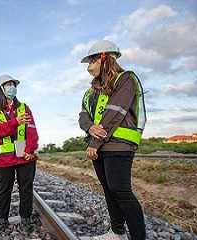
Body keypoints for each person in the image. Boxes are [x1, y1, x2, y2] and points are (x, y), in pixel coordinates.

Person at [79, 40, 147, 240]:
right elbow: (83, 115)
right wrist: (89, 127)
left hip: (119, 145)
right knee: (109, 191)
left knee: (121, 190)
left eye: (91, 61)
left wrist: (94, 142)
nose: (88, 67)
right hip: (100, 147)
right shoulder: (91, 91)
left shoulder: (125, 79)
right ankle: (117, 232)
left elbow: (115, 111)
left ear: (103, 57)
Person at [0, 74, 39, 234]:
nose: (12, 87)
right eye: (8, 85)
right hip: (4, 159)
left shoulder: (24, 108)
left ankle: (26, 219)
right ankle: (2, 220)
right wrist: (15, 121)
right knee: (4, 190)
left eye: (14, 84)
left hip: (25, 157)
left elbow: (32, 130)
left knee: (26, 189)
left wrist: (30, 150)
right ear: (0, 90)